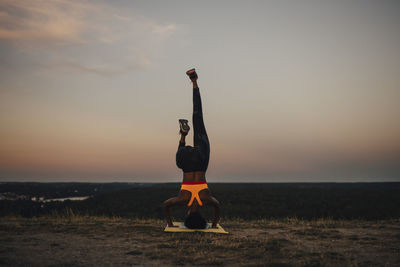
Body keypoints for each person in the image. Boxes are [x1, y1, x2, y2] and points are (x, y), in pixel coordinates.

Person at [163, 68, 220, 229]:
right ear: (188, 214)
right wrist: (170, 224)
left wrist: (214, 224)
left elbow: (218, 207)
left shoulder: (206, 198)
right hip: (186, 162)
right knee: (178, 160)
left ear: (200, 215)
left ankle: (194, 81)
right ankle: (182, 135)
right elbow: (165, 205)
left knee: (198, 117)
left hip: (201, 160)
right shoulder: (182, 199)